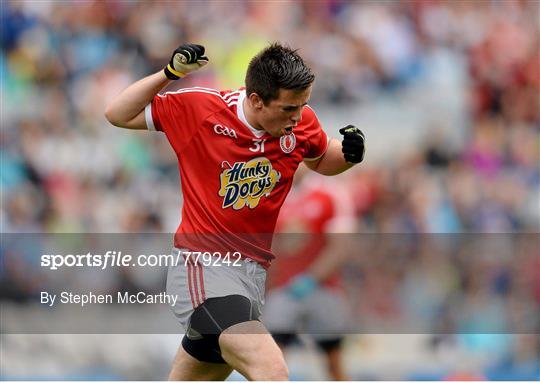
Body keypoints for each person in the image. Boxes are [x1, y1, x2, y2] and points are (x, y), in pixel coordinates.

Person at [105, 43, 365, 381]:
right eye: (289, 108)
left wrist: (348, 155)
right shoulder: (203, 110)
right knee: (270, 367)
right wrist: (170, 74)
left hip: (251, 277)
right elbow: (118, 114)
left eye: (303, 106)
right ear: (257, 99)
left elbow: (321, 159)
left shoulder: (298, 124)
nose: (297, 118)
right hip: (205, 268)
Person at [265, 169, 355, 380]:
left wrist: (311, 278)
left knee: (334, 363)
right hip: (284, 290)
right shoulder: (272, 194)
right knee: (272, 360)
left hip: (323, 289)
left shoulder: (330, 193)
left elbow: (341, 247)